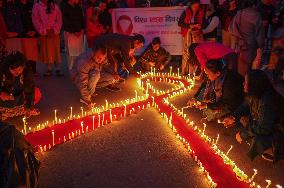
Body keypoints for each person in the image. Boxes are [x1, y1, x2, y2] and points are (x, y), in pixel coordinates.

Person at [222, 70, 284, 162]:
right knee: (243, 120)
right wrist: (233, 116)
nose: (243, 84)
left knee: (258, 140)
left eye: (246, 82)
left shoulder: (267, 100)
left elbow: (263, 128)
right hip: (266, 124)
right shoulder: (255, 93)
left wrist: (242, 135)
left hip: (278, 130)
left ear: (254, 83)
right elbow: (245, 105)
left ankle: (274, 150)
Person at [0, 52, 41, 120]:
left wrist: (29, 106)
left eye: (19, 69)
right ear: (8, 67)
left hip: (18, 98)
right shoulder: (2, 71)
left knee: (37, 92)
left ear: (23, 67)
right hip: (4, 99)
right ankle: (5, 113)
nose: (17, 72)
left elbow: (30, 89)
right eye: (13, 70)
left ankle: (22, 110)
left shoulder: (26, 73)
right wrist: (1, 93)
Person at [228, 0, 264, 76]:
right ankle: (246, 84)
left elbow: (230, 28)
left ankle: (240, 83)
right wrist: (260, 47)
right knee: (248, 69)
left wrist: (238, 36)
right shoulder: (256, 15)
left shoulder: (240, 13)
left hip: (238, 45)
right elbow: (260, 34)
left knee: (239, 67)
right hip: (250, 45)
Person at [32, 0, 63, 77]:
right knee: (46, 50)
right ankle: (48, 68)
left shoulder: (55, 6)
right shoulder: (37, 6)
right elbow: (36, 20)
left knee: (55, 50)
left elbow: (59, 20)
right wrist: (44, 30)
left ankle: (57, 68)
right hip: (44, 33)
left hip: (54, 32)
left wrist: (54, 30)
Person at [178, 0, 204, 75]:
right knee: (186, 52)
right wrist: (190, 26)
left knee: (194, 52)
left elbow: (202, 23)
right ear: (191, 5)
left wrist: (199, 26)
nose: (196, 8)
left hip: (196, 34)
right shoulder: (186, 12)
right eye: (195, 6)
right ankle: (184, 71)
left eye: (197, 6)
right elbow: (180, 23)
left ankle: (192, 72)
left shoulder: (200, 12)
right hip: (187, 33)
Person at [62, 0, 84, 70]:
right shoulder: (64, 7)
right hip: (70, 32)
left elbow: (82, 19)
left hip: (79, 32)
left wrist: (82, 29)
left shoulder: (78, 7)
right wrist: (74, 31)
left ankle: (79, 67)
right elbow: (65, 21)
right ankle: (71, 69)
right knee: (71, 52)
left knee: (79, 51)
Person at [19, 0, 39, 76]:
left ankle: (34, 70)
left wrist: (34, 31)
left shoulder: (32, 5)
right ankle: (25, 70)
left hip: (33, 32)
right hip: (23, 32)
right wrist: (25, 31)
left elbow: (36, 19)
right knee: (24, 52)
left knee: (33, 53)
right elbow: (19, 20)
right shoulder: (18, 6)